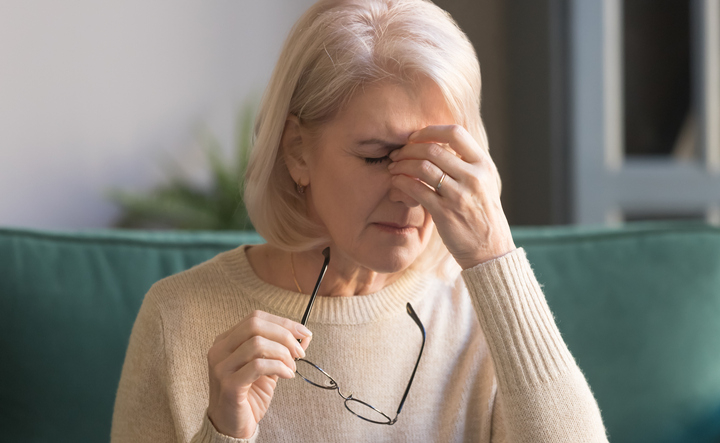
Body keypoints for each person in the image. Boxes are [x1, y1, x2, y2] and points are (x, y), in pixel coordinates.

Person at [111, 0, 609, 441]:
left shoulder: (485, 313)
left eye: (438, 160)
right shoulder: (177, 319)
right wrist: (224, 433)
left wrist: (494, 254)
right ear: (297, 151)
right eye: (377, 157)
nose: (412, 192)